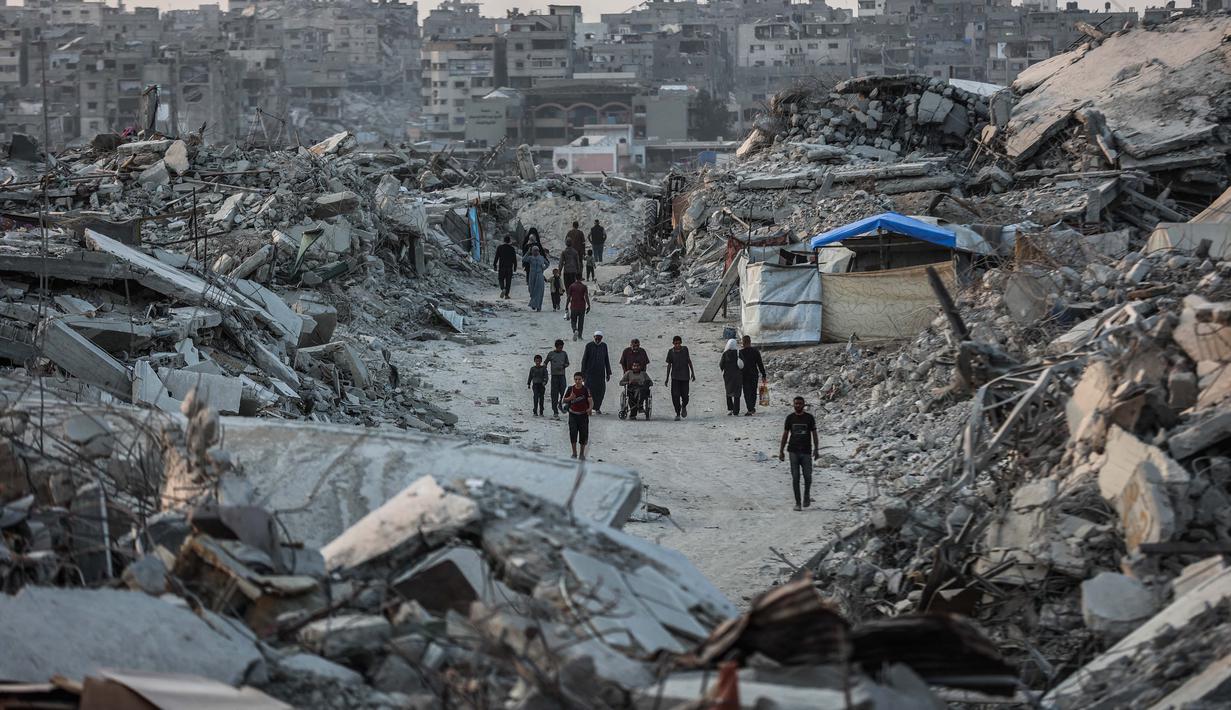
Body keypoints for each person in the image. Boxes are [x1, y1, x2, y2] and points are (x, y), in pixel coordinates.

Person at [778, 396, 819, 511]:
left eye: (800, 403)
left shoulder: (809, 418)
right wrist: (781, 450)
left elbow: (814, 434)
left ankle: (806, 495)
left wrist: (816, 449)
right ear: (793, 405)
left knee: (807, 476)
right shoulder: (790, 418)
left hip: (806, 451)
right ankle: (798, 502)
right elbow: (785, 435)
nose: (798, 405)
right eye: (796, 403)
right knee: (795, 477)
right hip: (793, 451)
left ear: (804, 405)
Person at [562, 371, 592, 460]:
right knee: (573, 433)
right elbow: (563, 400)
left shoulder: (586, 389)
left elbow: (590, 400)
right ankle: (574, 453)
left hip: (583, 415)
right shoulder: (570, 389)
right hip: (573, 415)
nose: (577, 381)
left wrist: (590, 408)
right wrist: (570, 398)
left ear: (583, 380)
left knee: (584, 434)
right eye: (576, 379)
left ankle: (581, 454)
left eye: (579, 379)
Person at [663, 335, 695, 420]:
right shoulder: (671, 352)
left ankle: (683, 406)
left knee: (685, 396)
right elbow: (669, 365)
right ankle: (677, 413)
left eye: (678, 343)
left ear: (681, 343)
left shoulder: (685, 349)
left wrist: (693, 373)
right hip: (675, 377)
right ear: (673, 343)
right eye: (675, 343)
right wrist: (667, 378)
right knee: (675, 396)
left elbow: (689, 361)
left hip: (685, 377)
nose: (677, 345)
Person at [581, 330, 612, 414]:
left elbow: (606, 359)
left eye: (599, 338)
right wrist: (583, 374)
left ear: (602, 338)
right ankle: (588, 407)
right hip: (589, 373)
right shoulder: (589, 345)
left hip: (600, 373)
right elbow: (584, 360)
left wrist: (608, 373)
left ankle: (597, 407)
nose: (598, 340)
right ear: (594, 337)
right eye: (596, 338)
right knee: (588, 390)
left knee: (600, 391)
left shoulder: (604, 346)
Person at [738, 335, 768, 416]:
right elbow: (760, 364)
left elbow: (738, 365)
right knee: (753, 392)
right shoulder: (755, 351)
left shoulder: (740, 353)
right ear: (750, 342)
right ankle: (752, 408)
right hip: (754, 374)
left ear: (743, 343)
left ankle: (750, 409)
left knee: (747, 392)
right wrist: (764, 375)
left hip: (744, 375)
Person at [544, 339, 570, 419]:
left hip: (562, 376)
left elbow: (567, 363)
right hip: (554, 376)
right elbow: (545, 362)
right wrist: (544, 369)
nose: (561, 349)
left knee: (564, 393)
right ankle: (555, 411)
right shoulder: (551, 354)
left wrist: (564, 366)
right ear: (556, 347)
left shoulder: (564, 353)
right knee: (554, 394)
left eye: (562, 347)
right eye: (559, 347)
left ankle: (560, 405)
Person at [719, 338, 743, 415]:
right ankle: (736, 411)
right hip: (737, 376)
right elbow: (743, 364)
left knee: (728, 392)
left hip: (728, 376)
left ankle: (730, 409)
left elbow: (721, 365)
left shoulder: (725, 354)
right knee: (737, 393)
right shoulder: (738, 353)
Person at [522, 246, 548, 311]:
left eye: (537, 250)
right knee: (531, 290)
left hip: (539, 275)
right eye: (534, 250)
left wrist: (544, 268)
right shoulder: (530, 258)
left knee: (539, 291)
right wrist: (528, 252)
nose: (536, 252)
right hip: (532, 275)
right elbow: (523, 259)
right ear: (532, 251)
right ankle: (533, 303)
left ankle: (538, 306)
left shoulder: (541, 258)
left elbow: (547, 263)